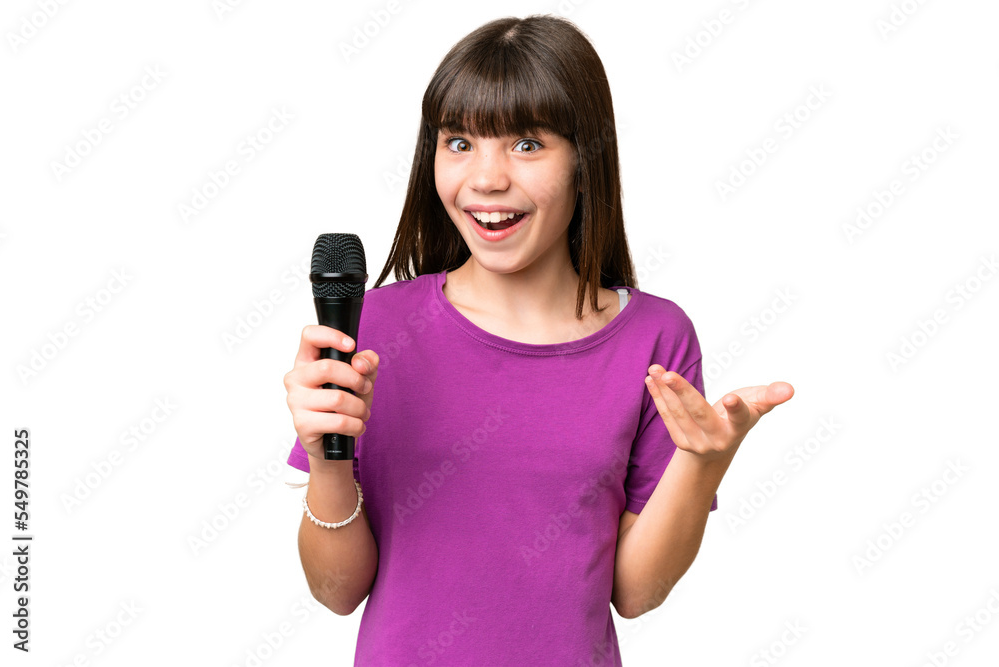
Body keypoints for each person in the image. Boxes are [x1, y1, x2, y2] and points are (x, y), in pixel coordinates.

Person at [283, 14, 793, 666]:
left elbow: (635, 592)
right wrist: (328, 457)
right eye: (459, 142)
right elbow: (336, 590)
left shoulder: (656, 338)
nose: (487, 179)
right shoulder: (375, 329)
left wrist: (701, 464)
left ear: (586, 160)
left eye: (526, 144)